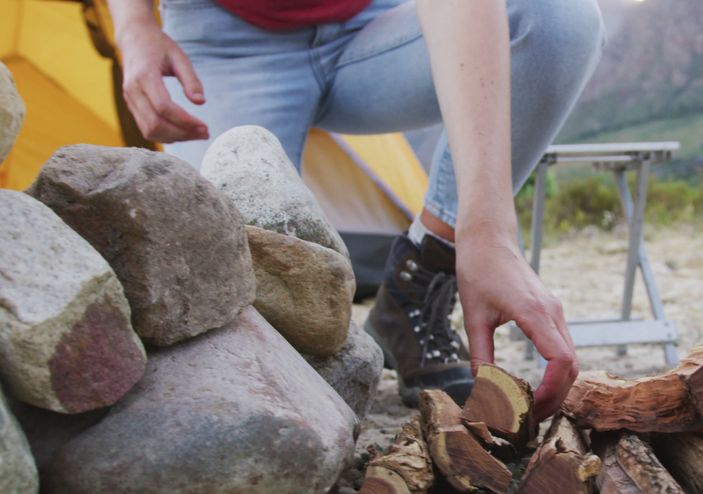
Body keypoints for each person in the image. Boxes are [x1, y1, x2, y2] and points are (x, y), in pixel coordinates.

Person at [106, 0, 603, 419]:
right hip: (220, 45)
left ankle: (418, 285)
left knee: (556, 18)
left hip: (375, 29)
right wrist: (135, 27)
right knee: (224, 295)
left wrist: (487, 234)